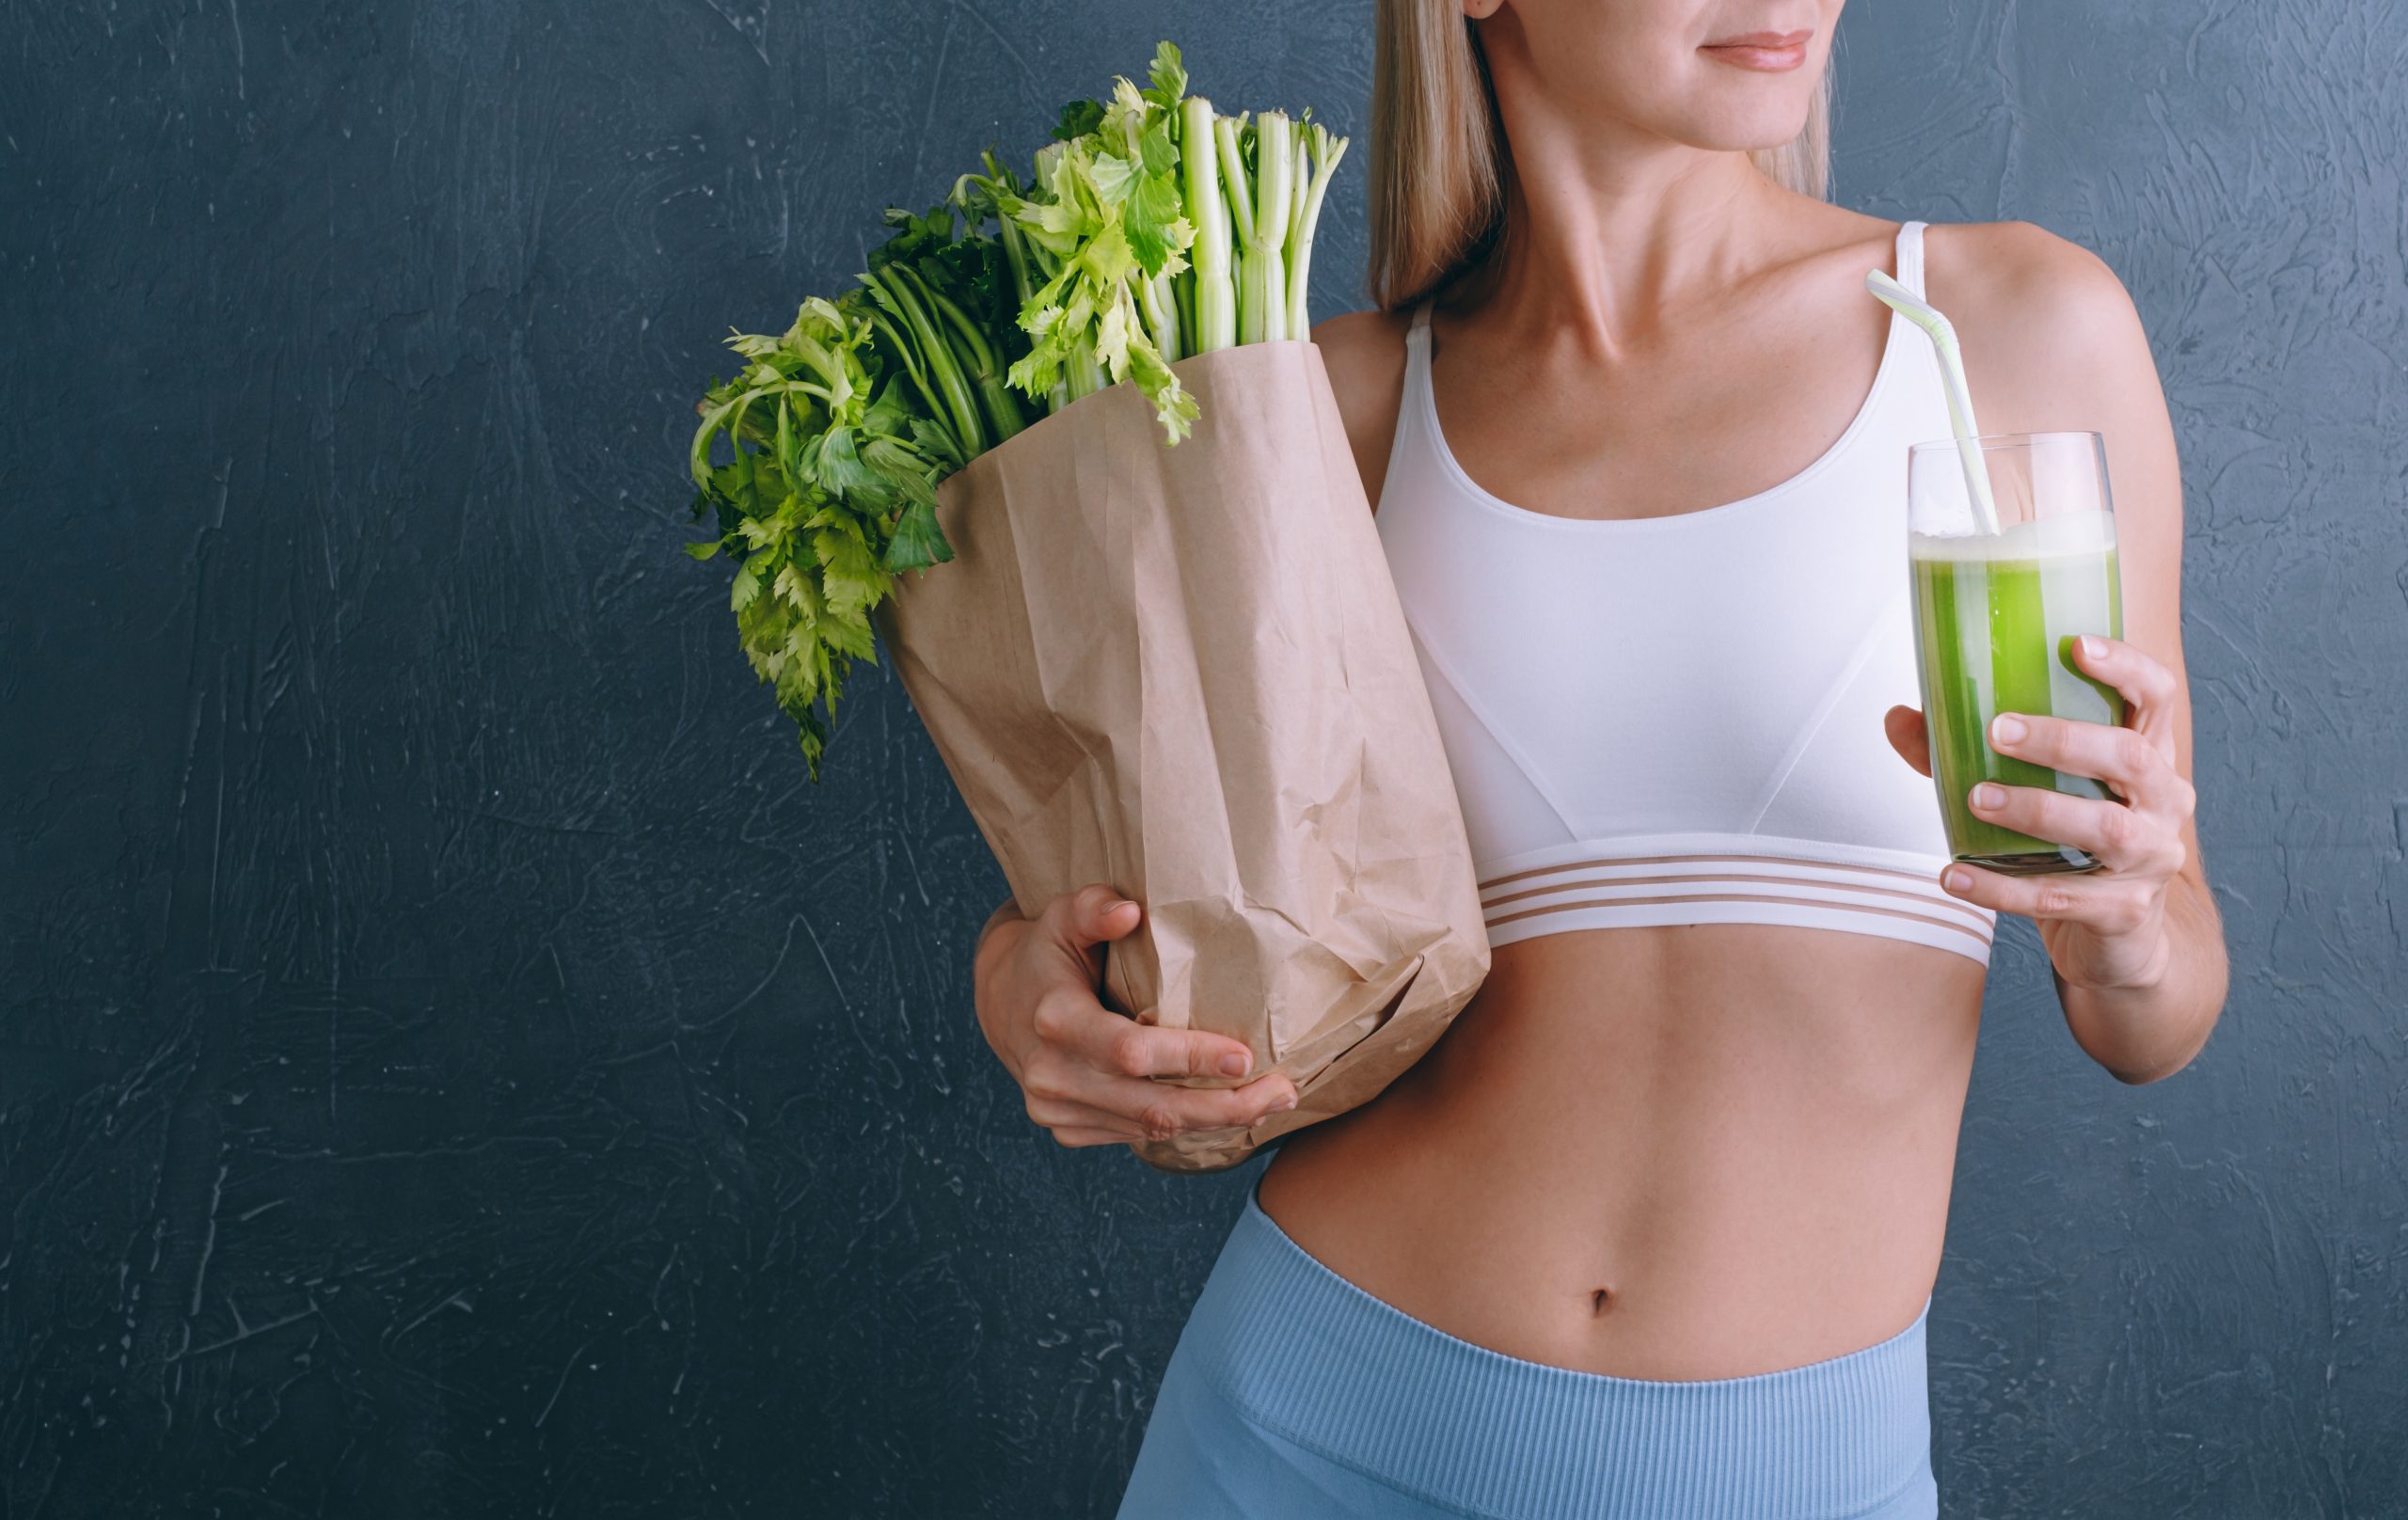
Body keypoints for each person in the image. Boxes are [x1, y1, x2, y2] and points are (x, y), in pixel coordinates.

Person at [971, 2, 2229, 1513]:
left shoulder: (2009, 329)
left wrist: (2133, 924)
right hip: (1306, 1427)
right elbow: (1116, 887)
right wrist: (1027, 997)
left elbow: (2155, 1019)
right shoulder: (1333, 406)